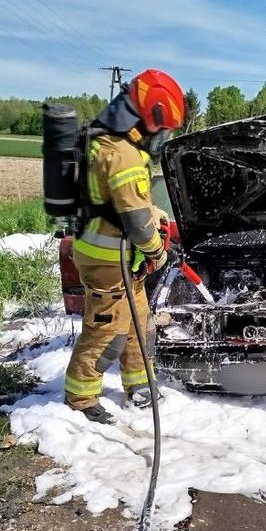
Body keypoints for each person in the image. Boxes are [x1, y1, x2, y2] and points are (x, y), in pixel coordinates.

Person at [64, 69, 185, 424]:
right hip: (107, 258)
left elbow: (130, 204)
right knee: (107, 327)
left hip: (114, 255)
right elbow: (134, 220)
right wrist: (158, 252)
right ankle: (81, 397)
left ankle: (139, 385)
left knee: (137, 319)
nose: (162, 138)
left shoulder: (104, 142)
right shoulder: (124, 155)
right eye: (162, 130)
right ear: (149, 120)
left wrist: (158, 216)